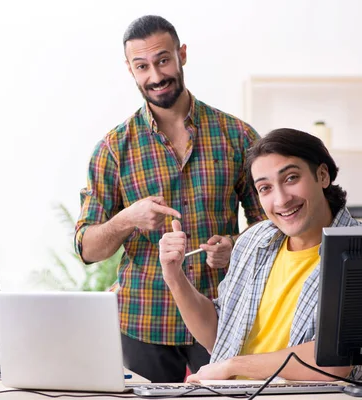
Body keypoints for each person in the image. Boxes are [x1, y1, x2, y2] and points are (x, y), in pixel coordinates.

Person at [74, 15, 266, 383]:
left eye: (163, 60)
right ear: (129, 69)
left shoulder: (237, 135)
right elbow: (87, 249)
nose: (155, 75)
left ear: (181, 55)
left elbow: (272, 228)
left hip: (223, 315)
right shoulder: (113, 150)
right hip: (144, 321)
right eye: (142, 66)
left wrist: (235, 247)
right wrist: (127, 219)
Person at [159, 128, 362, 382]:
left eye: (290, 178)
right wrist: (174, 276)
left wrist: (232, 366)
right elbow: (218, 334)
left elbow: (335, 361)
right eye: (265, 188)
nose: (281, 200)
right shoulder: (253, 242)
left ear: (322, 175)